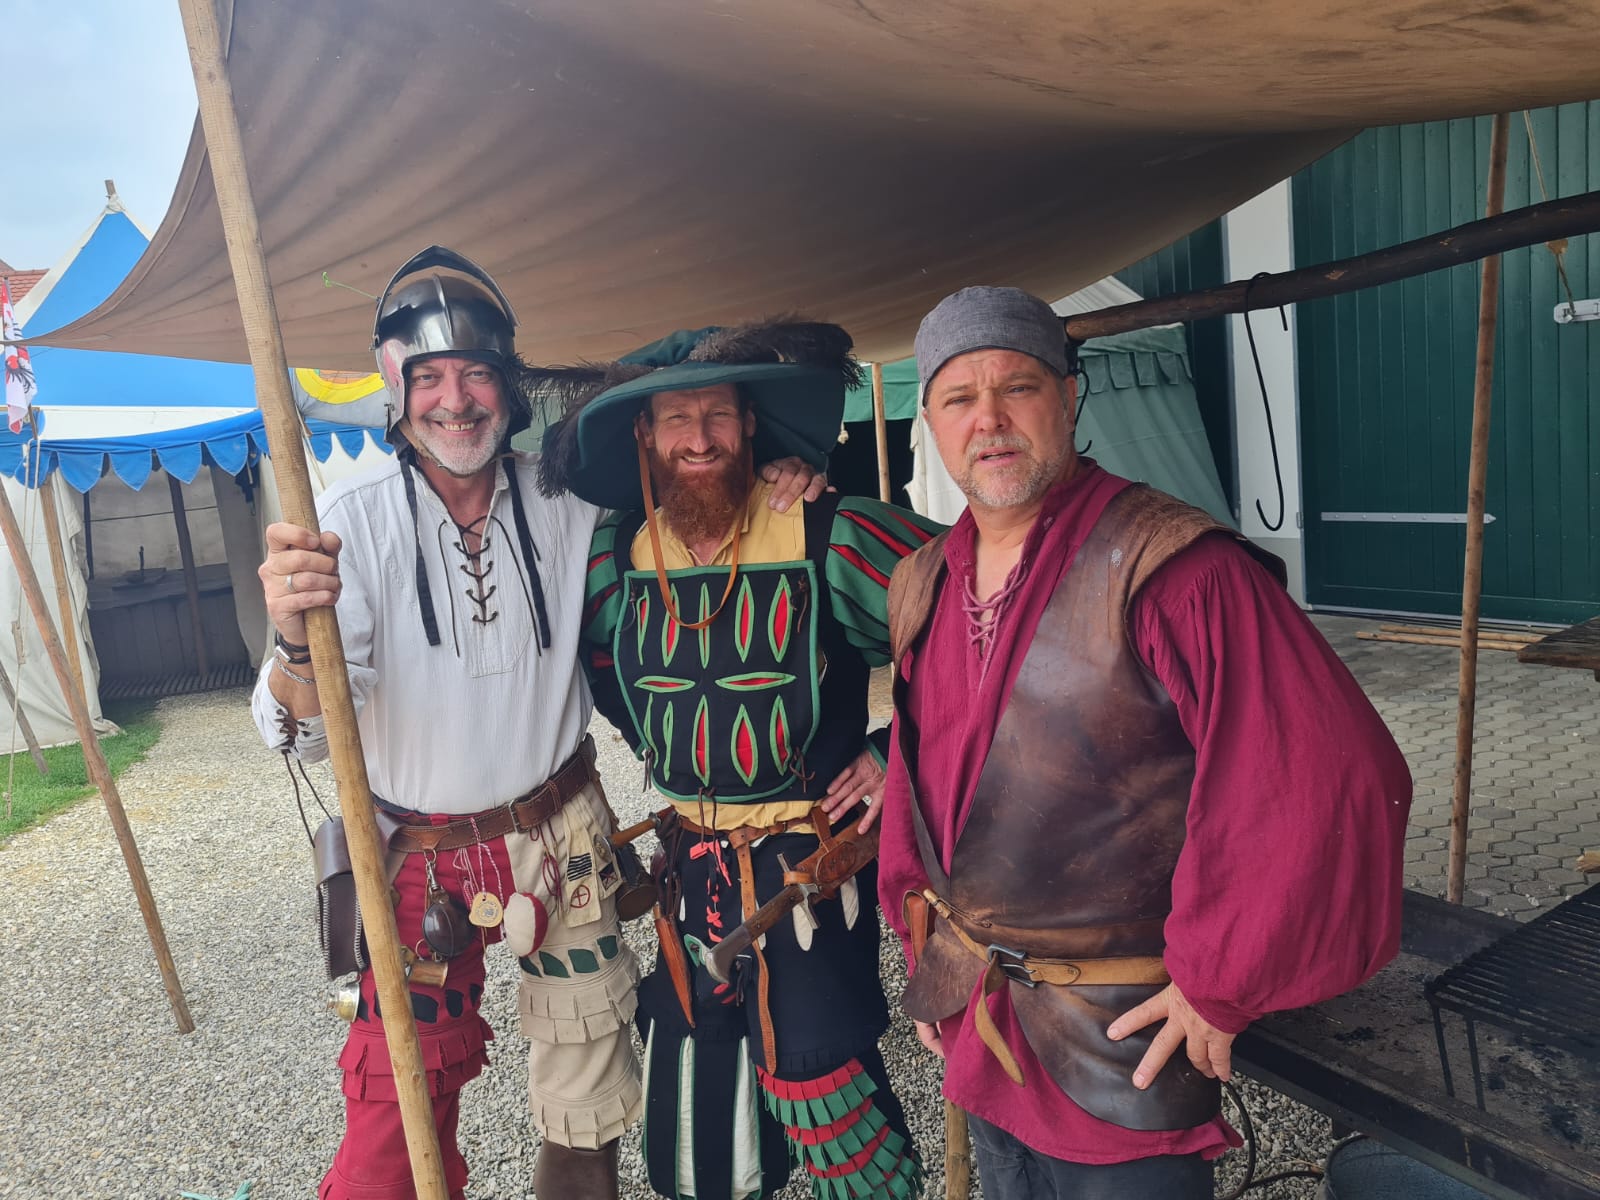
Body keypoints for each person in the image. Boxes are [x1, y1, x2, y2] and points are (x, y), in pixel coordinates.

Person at [250, 247, 822, 1200]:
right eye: (429, 376)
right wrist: (293, 643)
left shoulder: (575, 501)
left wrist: (778, 473)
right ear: (395, 385)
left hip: (565, 836)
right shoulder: (344, 523)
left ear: (509, 385)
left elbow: (693, 482)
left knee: (587, 1105)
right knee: (395, 1116)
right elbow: (299, 734)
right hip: (418, 857)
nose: (456, 400)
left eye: (476, 373)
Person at [876, 286, 1414, 1199]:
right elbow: (918, 780)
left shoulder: (1178, 570)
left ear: (1069, 397)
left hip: (1122, 1036)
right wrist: (930, 947)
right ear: (930, 422)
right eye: (959, 398)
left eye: (1018, 387)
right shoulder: (921, 580)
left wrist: (1219, 979)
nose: (989, 419)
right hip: (982, 1014)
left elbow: (1320, 779)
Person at [534, 319, 942, 1200]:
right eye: (675, 419)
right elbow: (601, 670)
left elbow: (980, 619)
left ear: (750, 423)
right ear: (644, 435)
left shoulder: (827, 530)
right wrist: (666, 746)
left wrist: (895, 752)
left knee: (824, 1089)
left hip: (808, 870)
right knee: (698, 1120)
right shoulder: (614, 555)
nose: (699, 438)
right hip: (687, 872)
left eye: (717, 414)